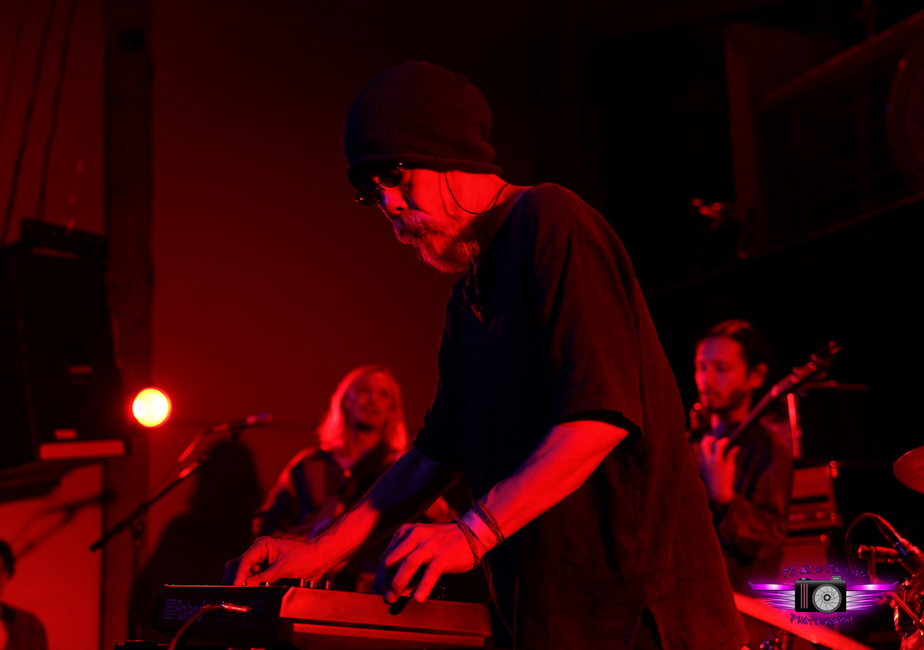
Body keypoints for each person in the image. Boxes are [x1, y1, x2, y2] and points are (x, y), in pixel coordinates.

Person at [226, 61, 748, 649]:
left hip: (644, 621)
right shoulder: (468, 297)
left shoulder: (550, 220)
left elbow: (599, 418)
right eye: (372, 192)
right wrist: (320, 550)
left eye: (396, 175)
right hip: (549, 623)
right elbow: (431, 457)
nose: (389, 204)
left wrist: (470, 534)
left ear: (448, 151)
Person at [252, 365, 452, 592]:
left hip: (371, 594)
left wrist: (438, 513)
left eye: (384, 395)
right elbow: (267, 524)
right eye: (364, 390)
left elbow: (443, 532)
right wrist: (294, 542)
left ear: (392, 410)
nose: (373, 400)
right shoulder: (308, 464)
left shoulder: (401, 469)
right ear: (346, 400)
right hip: (307, 590)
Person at [690, 320, 794, 647]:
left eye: (721, 368)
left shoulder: (768, 450)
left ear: (756, 376)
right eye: (701, 367)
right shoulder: (688, 444)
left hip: (737, 618)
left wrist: (724, 497)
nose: (707, 380)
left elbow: (768, 538)